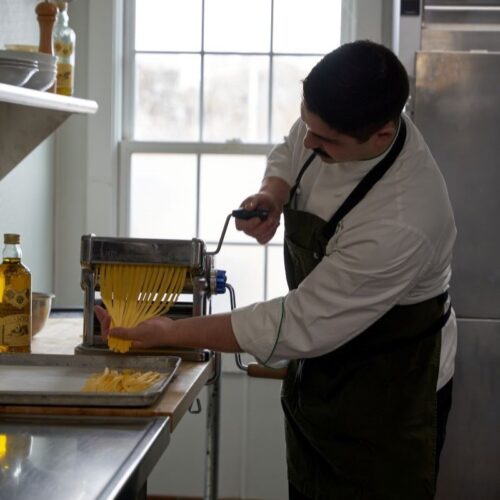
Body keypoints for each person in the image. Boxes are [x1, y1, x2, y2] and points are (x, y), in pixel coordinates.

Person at [96, 40, 457, 500]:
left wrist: (168, 330)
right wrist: (274, 193)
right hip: (325, 373)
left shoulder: (403, 219)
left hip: (389, 397)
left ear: (382, 136)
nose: (310, 142)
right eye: (308, 122)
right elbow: (292, 148)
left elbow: (296, 322)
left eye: (325, 141)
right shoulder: (333, 120)